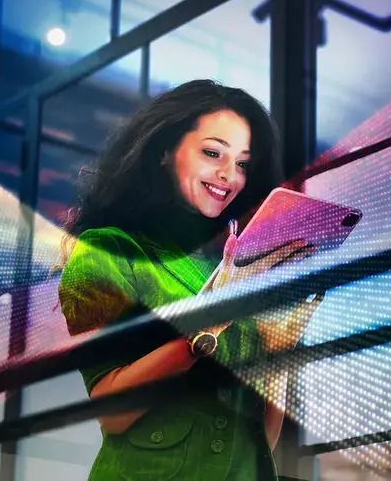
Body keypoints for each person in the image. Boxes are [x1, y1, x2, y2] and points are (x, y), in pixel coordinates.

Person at [57, 80, 315, 481]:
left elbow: (259, 440)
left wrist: (279, 351)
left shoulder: (239, 263)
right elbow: (112, 413)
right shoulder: (108, 249)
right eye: (213, 153)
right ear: (164, 151)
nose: (229, 176)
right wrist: (203, 333)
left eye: (243, 164)